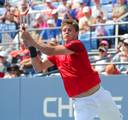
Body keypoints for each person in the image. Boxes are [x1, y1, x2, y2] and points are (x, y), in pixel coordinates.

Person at [21, 19, 123, 120]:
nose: (66, 31)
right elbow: (39, 67)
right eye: (64, 30)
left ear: (76, 33)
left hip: (99, 96)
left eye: (69, 30)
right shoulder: (57, 54)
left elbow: (50, 50)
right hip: (81, 104)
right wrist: (31, 48)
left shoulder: (77, 44)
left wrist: (31, 39)